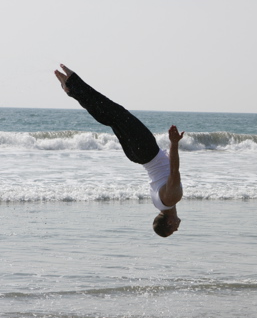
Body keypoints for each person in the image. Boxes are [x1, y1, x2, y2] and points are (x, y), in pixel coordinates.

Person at [54, 64, 184, 237]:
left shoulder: (171, 199)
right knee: (112, 118)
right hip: (137, 156)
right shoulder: (158, 204)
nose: (177, 228)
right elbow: (165, 170)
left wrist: (174, 143)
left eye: (173, 229)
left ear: (168, 222)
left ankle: (73, 84)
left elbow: (174, 171)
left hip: (146, 151)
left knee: (117, 113)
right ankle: (72, 89)